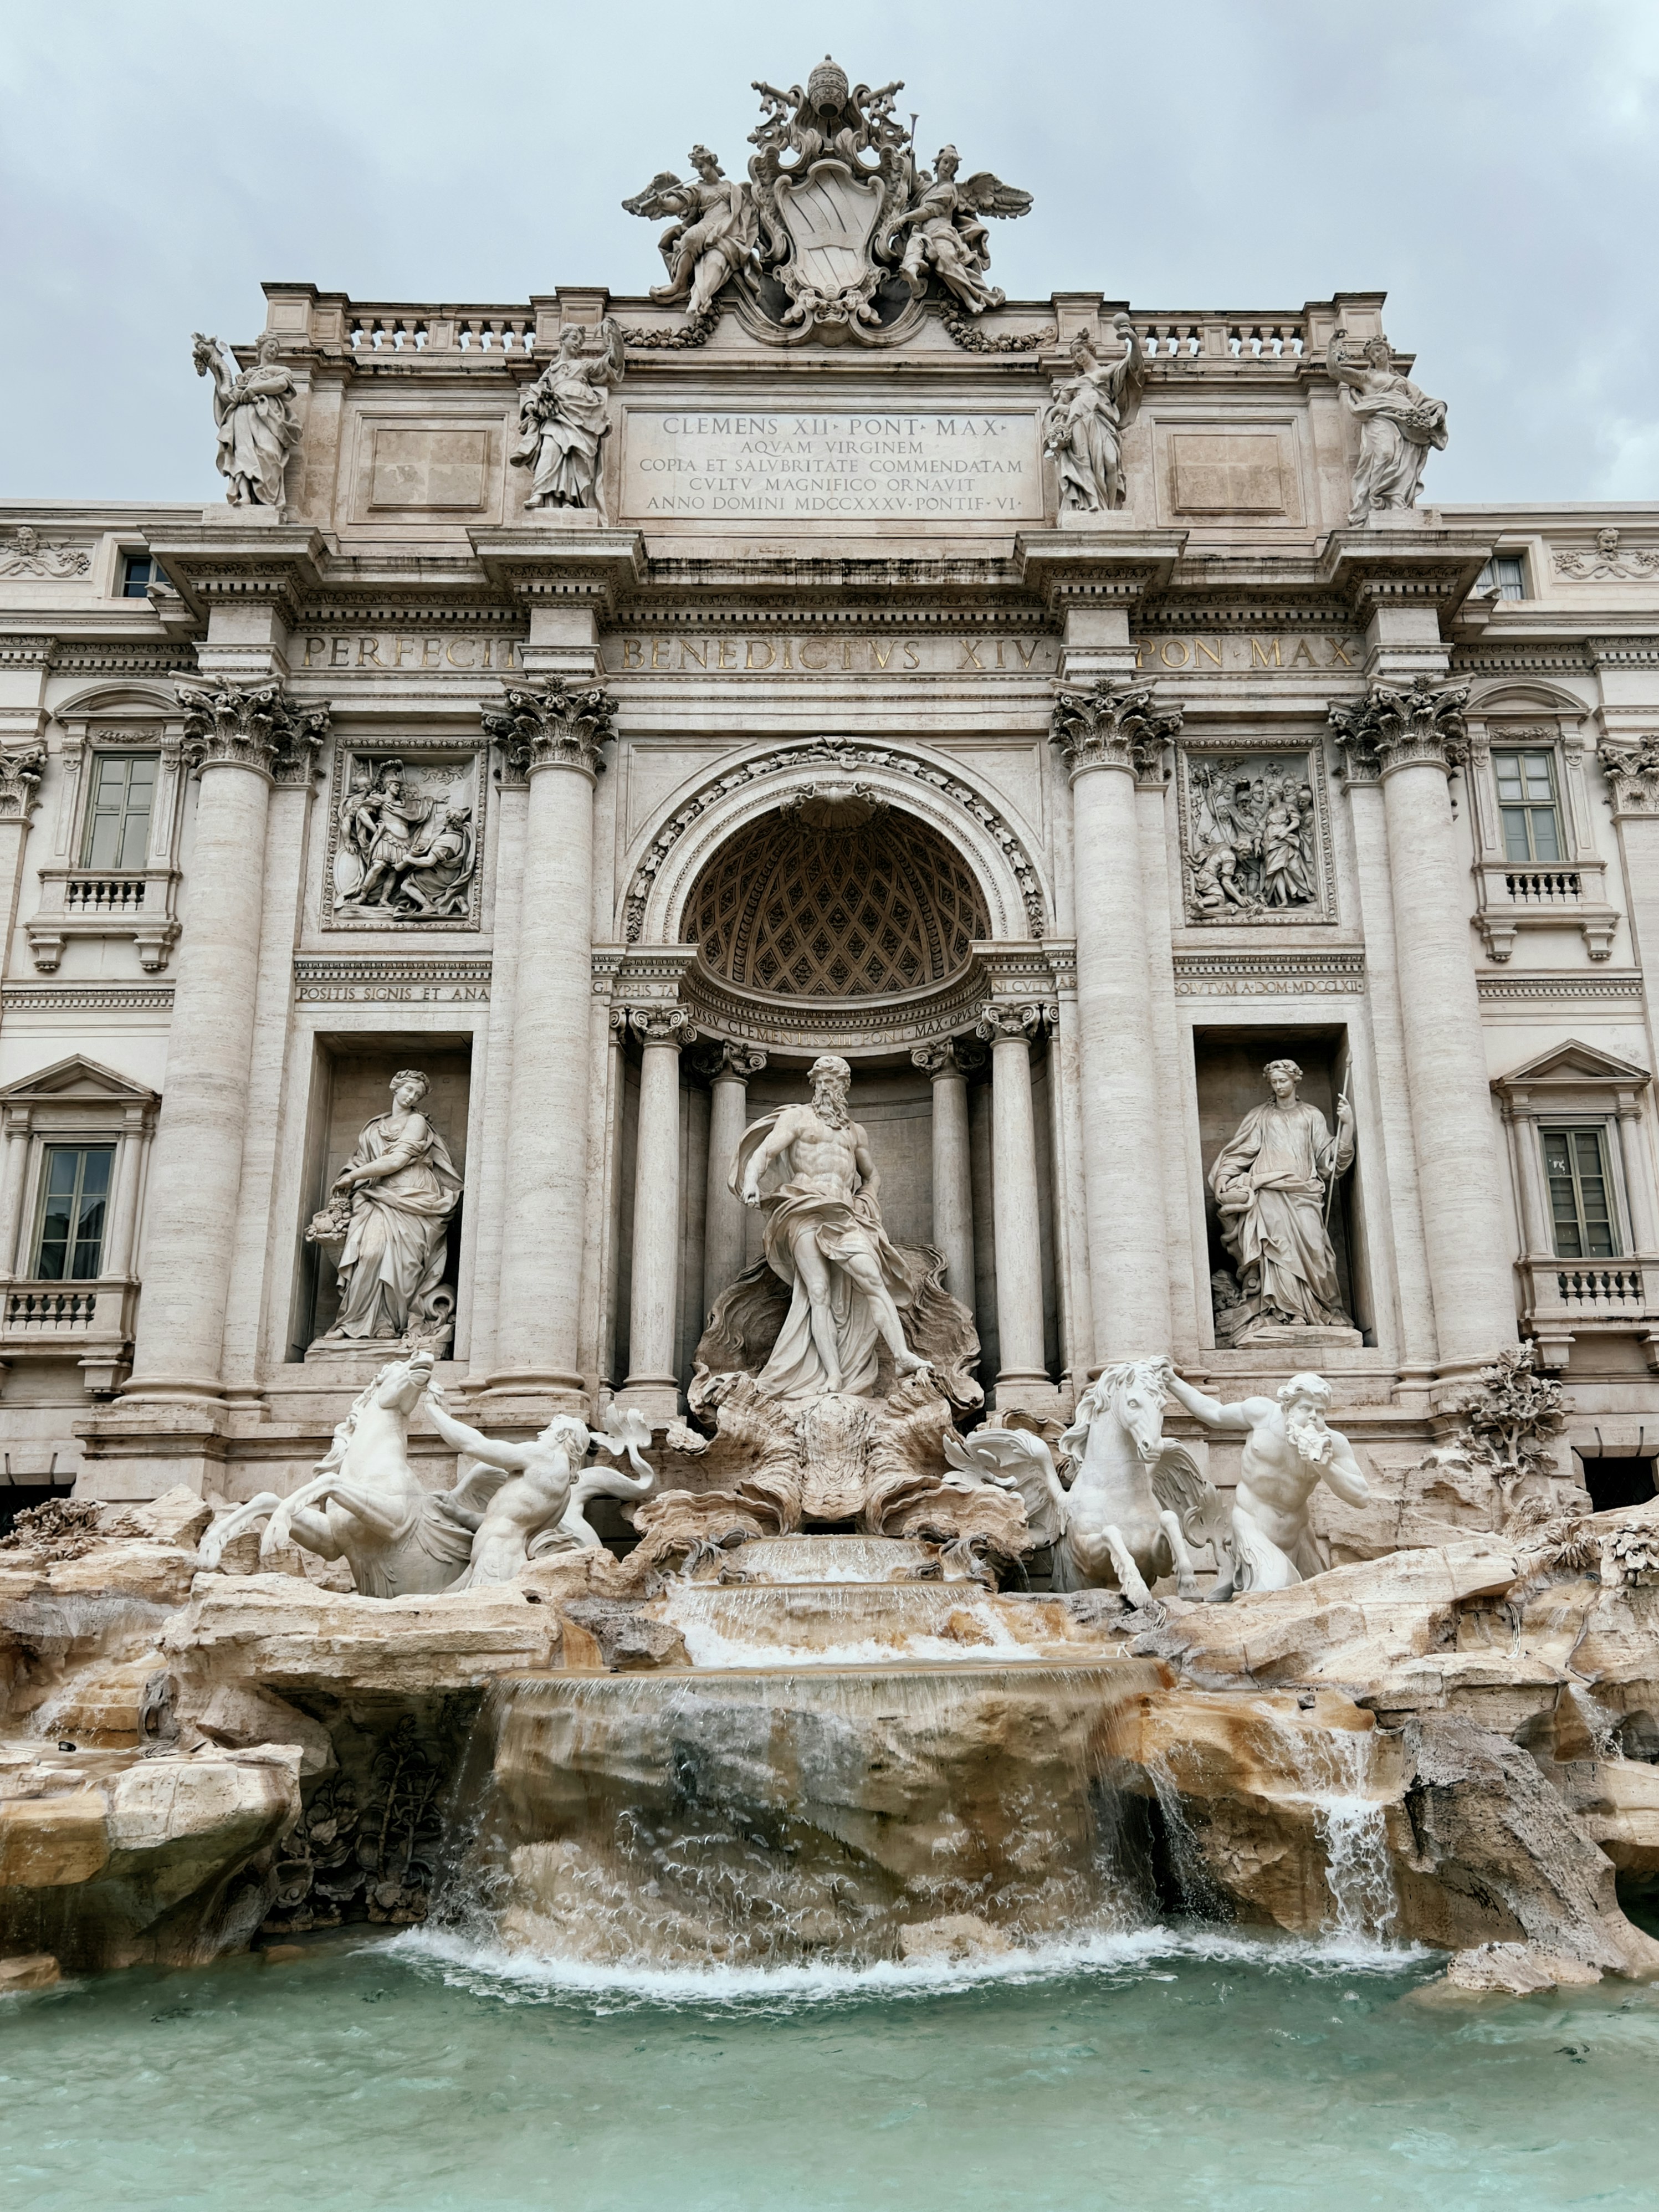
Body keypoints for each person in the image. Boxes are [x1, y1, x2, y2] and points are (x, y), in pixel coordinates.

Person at [736, 1054, 929, 1399]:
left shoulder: (855, 1133)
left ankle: (901, 1356)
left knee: (873, 1279)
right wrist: (752, 1180)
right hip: (804, 1208)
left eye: (835, 1081)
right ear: (813, 1083)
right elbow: (764, 1153)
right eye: (822, 1080)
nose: (828, 1087)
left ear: (845, 1086)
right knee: (818, 1293)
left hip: (844, 1214)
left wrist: (866, 1199)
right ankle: (833, 1376)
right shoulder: (798, 1118)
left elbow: (872, 1175)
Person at [1163, 1369, 1369, 1593]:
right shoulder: (1262, 1414)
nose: (1313, 1416)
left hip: (1297, 1533)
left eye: (1320, 1411)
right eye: (1305, 1408)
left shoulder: (1334, 1443)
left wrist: (1325, 1466)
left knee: (1318, 1594)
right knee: (1278, 1589)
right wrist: (1172, 1381)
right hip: (1252, 1524)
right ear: (1287, 1408)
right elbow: (1214, 1414)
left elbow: (1361, 1498)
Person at [313, 1071, 462, 1344]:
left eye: (418, 1095)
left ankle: (389, 1324)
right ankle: (351, 1322)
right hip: (377, 1196)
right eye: (408, 1090)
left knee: (403, 1264)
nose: (412, 1096)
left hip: (414, 1197)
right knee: (369, 1254)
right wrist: (352, 1176)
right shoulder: (374, 1127)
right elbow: (360, 1161)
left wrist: (352, 1177)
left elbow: (396, 1161)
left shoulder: (417, 1122)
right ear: (396, 1087)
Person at [1208, 1059, 1354, 1330]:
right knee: (1278, 1252)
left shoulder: (1311, 1115)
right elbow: (1241, 1152)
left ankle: (1319, 1308)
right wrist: (1224, 1176)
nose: (1278, 1086)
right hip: (1269, 1192)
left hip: (1304, 1192)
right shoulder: (1261, 1115)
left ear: (1295, 1080)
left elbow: (1329, 1161)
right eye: (1274, 1082)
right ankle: (1286, 1311)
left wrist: (1348, 1127)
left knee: (1315, 1250)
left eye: (1283, 1081)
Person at [1325, 329, 1448, 525]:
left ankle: (1396, 501)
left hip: (1406, 422)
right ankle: (1376, 499)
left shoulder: (1402, 382)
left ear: (1387, 351)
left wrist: (1440, 410)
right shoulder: (1365, 378)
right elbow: (1335, 371)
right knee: (1385, 454)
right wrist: (1332, 346)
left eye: (1380, 350)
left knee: (1402, 462)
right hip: (1380, 418)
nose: (1378, 354)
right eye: (1374, 352)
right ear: (1370, 358)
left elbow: (1425, 402)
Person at [510, 319, 625, 518]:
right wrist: (533, 407)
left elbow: (612, 364)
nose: (577, 344)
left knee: (577, 456)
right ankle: (539, 494)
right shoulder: (550, 372)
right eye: (573, 339)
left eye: (580, 342)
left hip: (583, 414)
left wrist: (616, 338)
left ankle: (570, 500)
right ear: (562, 340)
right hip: (556, 414)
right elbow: (534, 394)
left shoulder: (584, 366)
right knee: (549, 450)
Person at [192, 331, 300, 508]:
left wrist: (254, 390)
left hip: (268, 417)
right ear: (261, 347)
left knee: (269, 453)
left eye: (276, 348)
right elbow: (227, 393)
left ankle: (268, 500)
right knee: (243, 453)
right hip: (243, 414)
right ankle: (245, 496)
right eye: (270, 345)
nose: (273, 349)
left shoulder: (281, 371)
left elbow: (280, 385)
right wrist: (216, 367)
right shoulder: (247, 375)